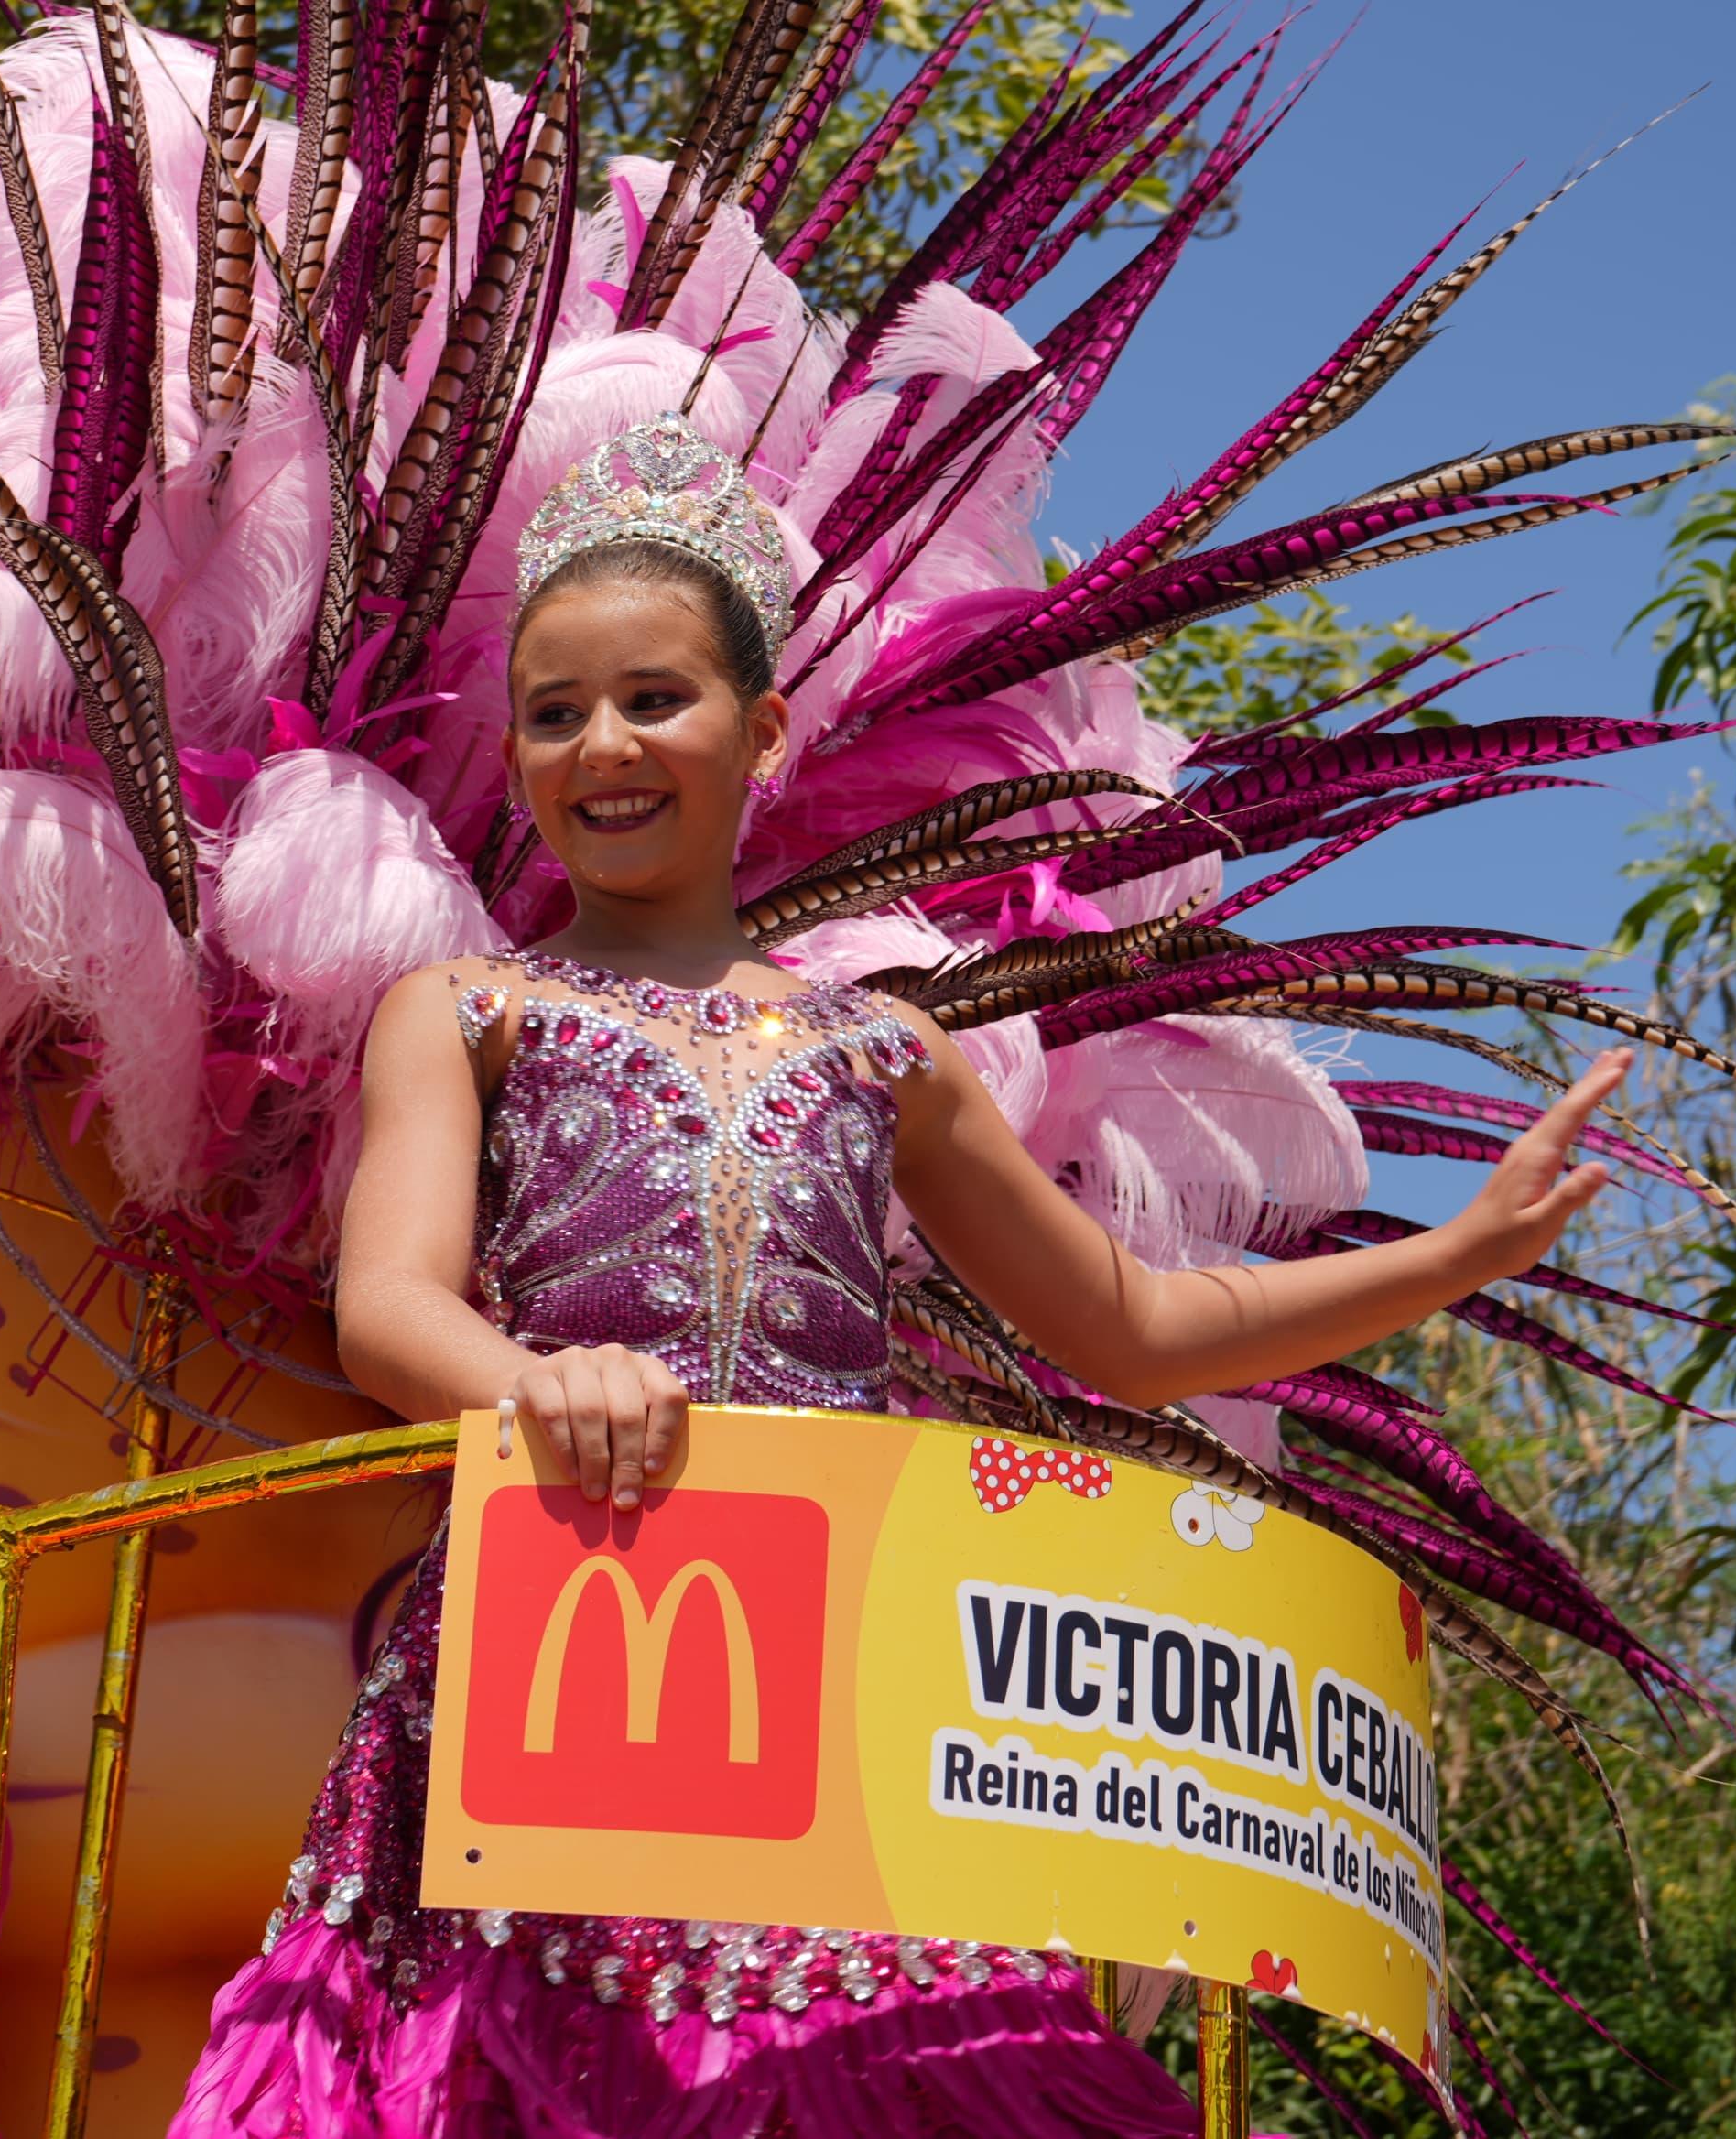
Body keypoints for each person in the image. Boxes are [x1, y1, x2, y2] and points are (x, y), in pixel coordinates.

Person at [169, 416, 1636, 2139]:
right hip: (546, 1678)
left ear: (764, 732)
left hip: (838, 1705)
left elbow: (1137, 1327)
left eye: (656, 698)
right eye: (555, 714)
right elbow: (390, 1307)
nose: (604, 746)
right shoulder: (473, 1012)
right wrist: (535, 1384)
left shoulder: (889, 1050)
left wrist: (1448, 1258)